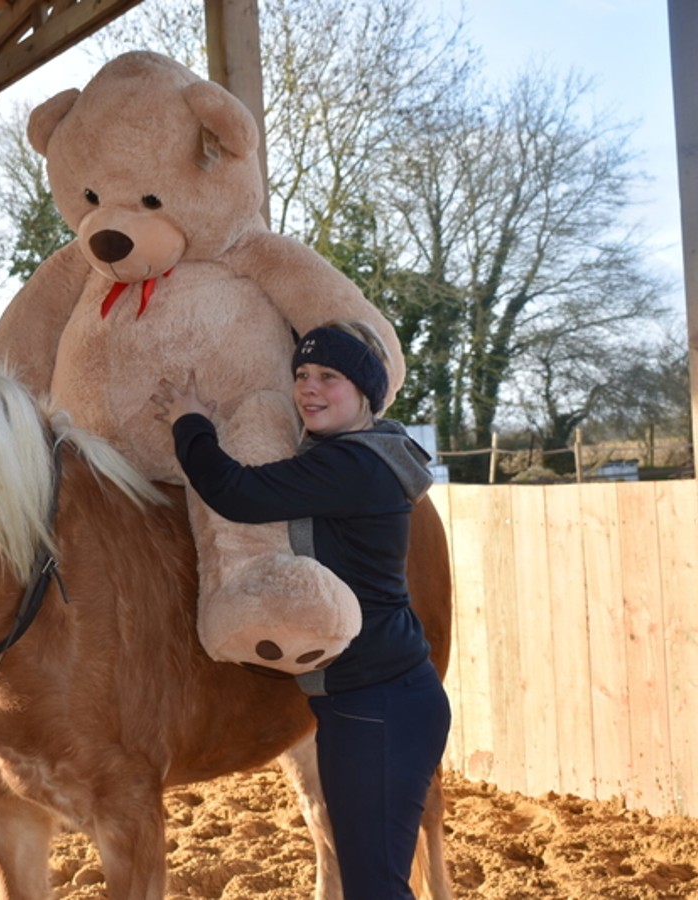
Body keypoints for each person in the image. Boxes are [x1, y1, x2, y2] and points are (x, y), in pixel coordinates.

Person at [150, 320, 451, 900]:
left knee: (374, 888)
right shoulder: (355, 455)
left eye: (329, 377)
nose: (310, 388)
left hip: (380, 705)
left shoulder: (355, 467)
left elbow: (237, 493)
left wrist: (189, 421)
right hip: (362, 701)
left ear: (364, 390)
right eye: (302, 375)